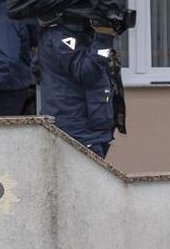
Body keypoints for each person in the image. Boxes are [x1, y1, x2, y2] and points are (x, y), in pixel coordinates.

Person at [38, 16, 122, 157]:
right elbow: (87, 73)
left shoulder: (85, 34)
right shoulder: (60, 37)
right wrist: (103, 38)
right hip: (78, 130)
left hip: (94, 128)